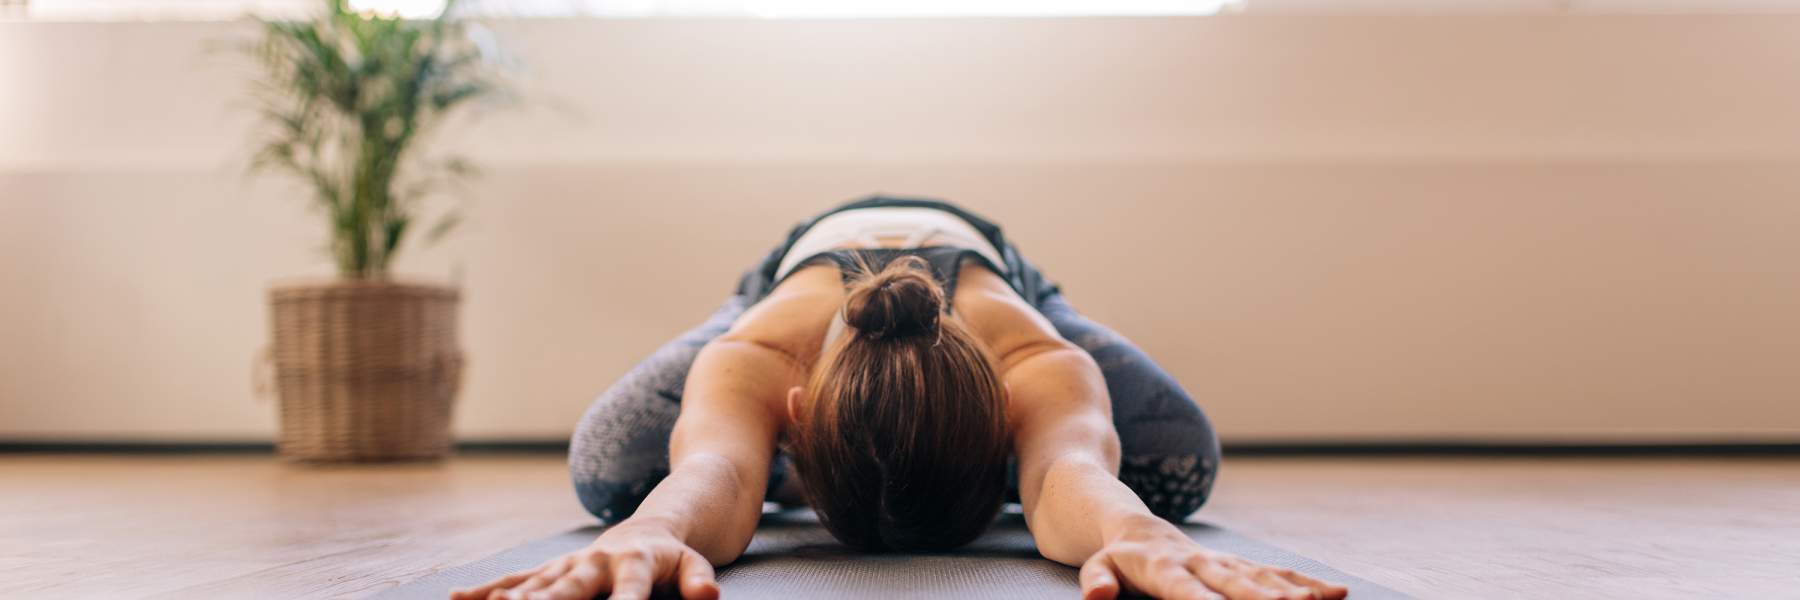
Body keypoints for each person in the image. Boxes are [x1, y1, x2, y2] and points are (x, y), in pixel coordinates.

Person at [453, 197, 1348, 600]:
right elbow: (717, 469)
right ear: (794, 411)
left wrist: (1132, 528)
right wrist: (653, 528)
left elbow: (1063, 472)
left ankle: (864, 461)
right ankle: (855, 460)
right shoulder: (759, 351)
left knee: (1177, 467)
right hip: (793, 271)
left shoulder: (1033, 355)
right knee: (613, 474)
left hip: (1000, 272)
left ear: (1010, 414)